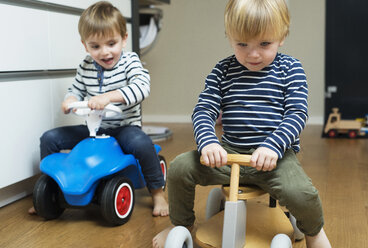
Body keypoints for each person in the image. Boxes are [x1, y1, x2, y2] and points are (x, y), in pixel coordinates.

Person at [153, 0, 331, 247]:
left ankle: (313, 233)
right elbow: (204, 110)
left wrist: (273, 146)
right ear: (230, 37)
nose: (253, 53)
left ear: (282, 36)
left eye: (264, 44)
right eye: (242, 44)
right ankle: (181, 224)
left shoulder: (291, 69)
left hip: (275, 158)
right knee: (180, 168)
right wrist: (208, 143)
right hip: (230, 154)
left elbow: (297, 114)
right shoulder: (223, 71)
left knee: (302, 193)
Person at [29, 1, 168, 217]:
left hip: (124, 128)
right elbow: (74, 89)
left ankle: (157, 192)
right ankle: (51, 191)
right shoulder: (86, 66)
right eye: (95, 46)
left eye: (111, 43)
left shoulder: (130, 61)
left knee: (142, 144)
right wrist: (70, 101)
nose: (104, 52)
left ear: (124, 38)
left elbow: (141, 88)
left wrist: (108, 98)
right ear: (85, 46)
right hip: (94, 130)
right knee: (50, 138)